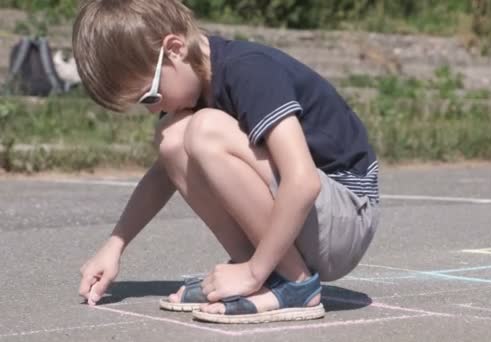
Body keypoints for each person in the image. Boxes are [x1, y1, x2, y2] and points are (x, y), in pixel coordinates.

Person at [74, 0, 380, 324]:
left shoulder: (248, 70)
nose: (152, 109)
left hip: (345, 218)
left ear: (175, 49)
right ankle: (268, 273)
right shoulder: (195, 86)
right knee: (173, 137)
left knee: (205, 130)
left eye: (150, 95)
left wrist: (252, 272)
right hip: (310, 221)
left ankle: (291, 282)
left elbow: (303, 181)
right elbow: (163, 175)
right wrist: (115, 244)